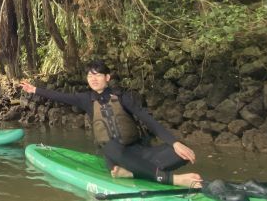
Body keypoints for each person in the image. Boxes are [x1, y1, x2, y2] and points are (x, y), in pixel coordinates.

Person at [19, 60, 201, 187]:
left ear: (108, 77)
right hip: (115, 156)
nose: (93, 79)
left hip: (138, 152)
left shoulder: (122, 97)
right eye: (90, 76)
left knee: (183, 153)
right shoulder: (85, 99)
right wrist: (34, 89)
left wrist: (175, 143)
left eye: (97, 75)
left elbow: (148, 120)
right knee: (111, 146)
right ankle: (172, 180)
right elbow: (60, 96)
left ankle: (130, 173)